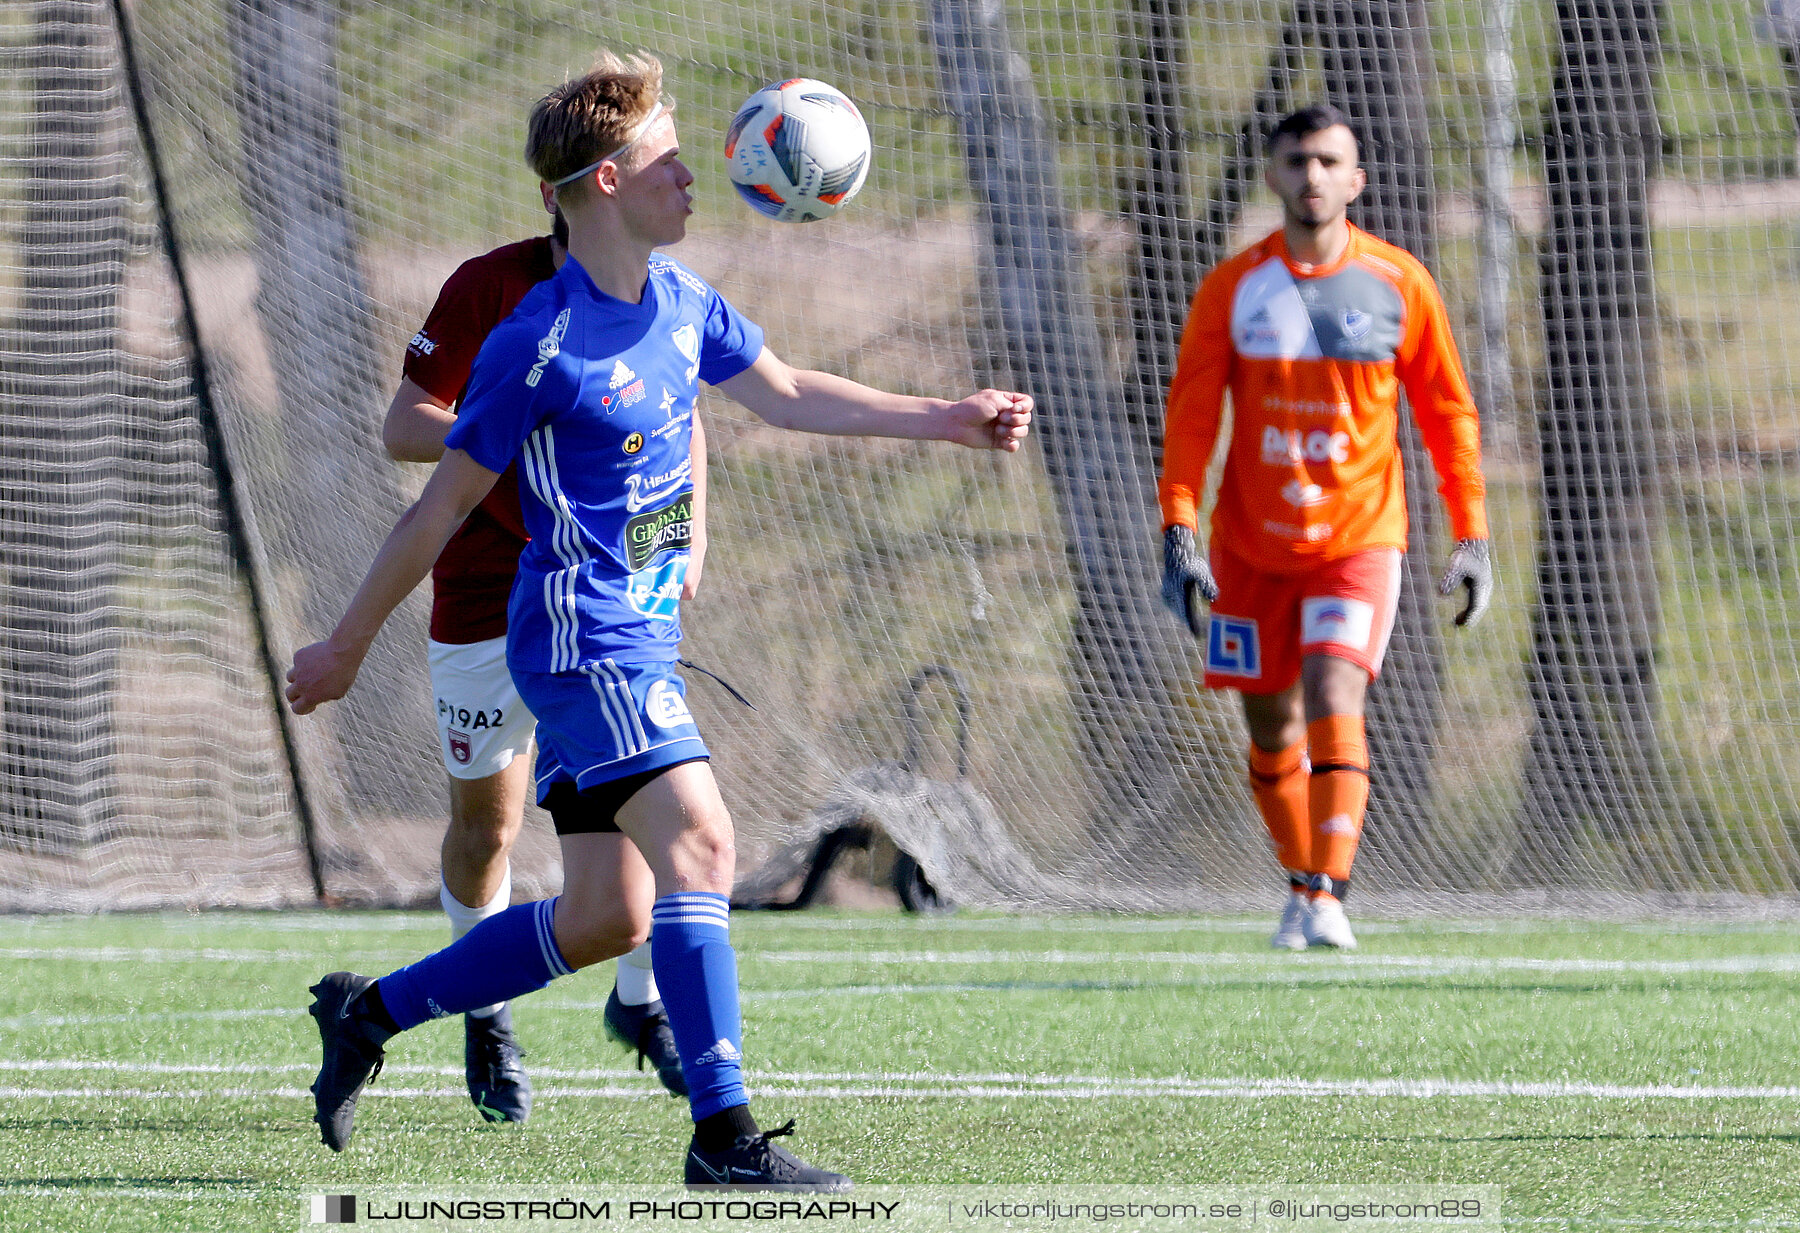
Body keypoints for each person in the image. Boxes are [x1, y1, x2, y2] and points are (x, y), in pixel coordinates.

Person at [286, 52, 1032, 1187]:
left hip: (633, 635)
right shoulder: (535, 341)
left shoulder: (683, 302)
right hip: (580, 641)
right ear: (599, 183)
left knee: (605, 917)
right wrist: (343, 644)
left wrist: (946, 418)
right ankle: (724, 1139)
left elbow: (784, 392)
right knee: (705, 843)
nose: (697, 176)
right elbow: (435, 510)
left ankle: (369, 1015)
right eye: (669, 160)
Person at [1157, 104, 1492, 952]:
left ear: (1356, 180)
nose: (1312, 176)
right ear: (1272, 175)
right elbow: (1194, 414)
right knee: (1270, 726)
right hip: (1249, 545)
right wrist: (1179, 527)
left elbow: (1448, 412)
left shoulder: (1399, 283)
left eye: (1328, 161)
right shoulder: (1232, 288)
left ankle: (1329, 894)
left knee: (1335, 692)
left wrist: (1473, 533)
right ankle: (1302, 884)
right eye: (1297, 160)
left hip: (1358, 538)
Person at [388, 199, 692, 1119]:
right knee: (489, 829)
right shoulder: (490, 288)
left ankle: (641, 1006)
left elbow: (683, 414)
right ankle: (484, 1008)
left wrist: (685, 546)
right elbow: (404, 426)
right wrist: (514, 418)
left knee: (658, 810)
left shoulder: (664, 294)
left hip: (604, 602)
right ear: (586, 190)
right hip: (487, 599)